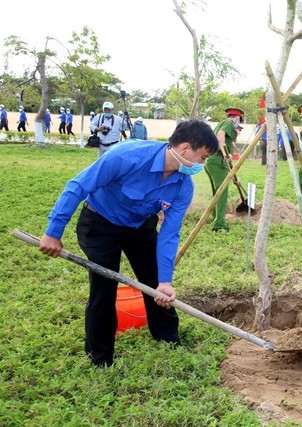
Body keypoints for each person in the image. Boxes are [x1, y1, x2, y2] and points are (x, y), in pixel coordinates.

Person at [38, 119, 218, 367]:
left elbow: (169, 233)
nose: (202, 164)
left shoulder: (182, 185)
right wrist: (53, 232)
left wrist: (165, 281)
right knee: (105, 285)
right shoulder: (128, 155)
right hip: (100, 224)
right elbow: (77, 186)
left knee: (154, 281)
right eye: (203, 157)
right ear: (186, 147)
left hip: (139, 227)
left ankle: (167, 339)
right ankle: (100, 357)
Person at [204, 107, 243, 232]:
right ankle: (219, 225)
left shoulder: (224, 125)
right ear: (236, 118)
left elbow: (223, 142)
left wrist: (228, 155)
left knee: (217, 192)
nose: (238, 127)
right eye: (239, 122)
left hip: (213, 160)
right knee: (222, 192)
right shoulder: (228, 123)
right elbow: (220, 136)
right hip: (217, 161)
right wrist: (226, 154)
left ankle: (216, 216)